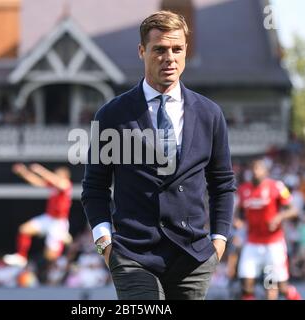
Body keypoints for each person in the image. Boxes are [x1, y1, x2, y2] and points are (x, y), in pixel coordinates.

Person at [81, 11, 236, 300]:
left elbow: (223, 184)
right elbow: (94, 188)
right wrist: (105, 244)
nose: (170, 57)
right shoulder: (112, 115)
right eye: (160, 50)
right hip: (132, 256)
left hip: (194, 258)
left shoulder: (210, 114)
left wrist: (219, 241)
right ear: (142, 51)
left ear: (186, 51)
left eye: (177, 49)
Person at [236, 159, 302, 300]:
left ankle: (293, 295)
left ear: (265, 171)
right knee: (247, 285)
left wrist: (279, 216)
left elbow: (294, 210)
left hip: (272, 245)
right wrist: (238, 221)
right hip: (252, 244)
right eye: (253, 168)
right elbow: (239, 211)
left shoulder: (277, 187)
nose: (255, 171)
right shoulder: (243, 189)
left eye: (258, 168)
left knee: (274, 286)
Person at [4, 164, 73, 267]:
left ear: (65, 176)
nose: (55, 176)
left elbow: (59, 183)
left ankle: (64, 241)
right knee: (24, 230)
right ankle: (22, 257)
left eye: (58, 174)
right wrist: (24, 173)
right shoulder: (54, 185)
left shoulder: (66, 184)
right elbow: (38, 182)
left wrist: (40, 170)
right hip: (48, 218)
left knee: (50, 256)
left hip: (58, 223)